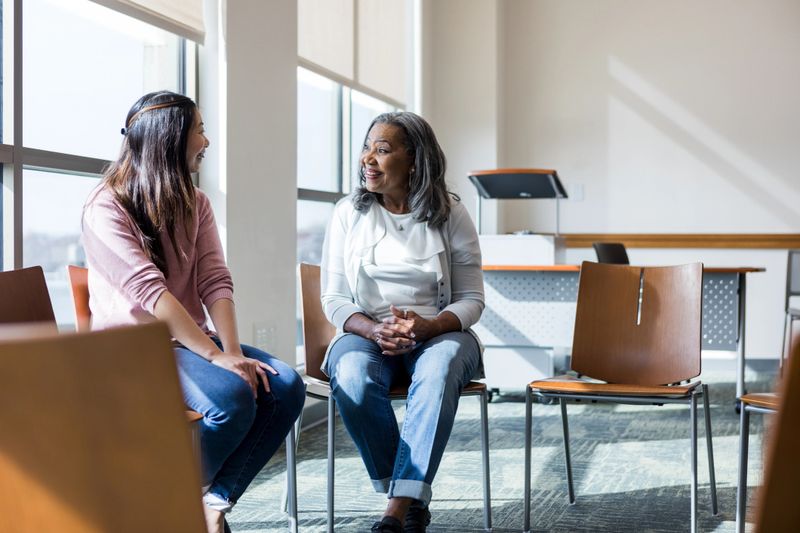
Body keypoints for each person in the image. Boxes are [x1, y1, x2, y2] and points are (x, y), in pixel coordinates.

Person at [81, 91, 305, 533]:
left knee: (284, 386)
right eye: (200, 130)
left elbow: (215, 280)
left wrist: (232, 353)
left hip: (188, 344)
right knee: (231, 399)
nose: (206, 141)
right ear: (171, 138)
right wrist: (216, 357)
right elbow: (151, 293)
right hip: (130, 350)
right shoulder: (104, 205)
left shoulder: (195, 202)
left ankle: (212, 504)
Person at [320, 111, 484, 533]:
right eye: (366, 147)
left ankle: (394, 512)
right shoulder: (347, 213)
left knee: (439, 369)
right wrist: (374, 329)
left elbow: (472, 299)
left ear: (414, 159)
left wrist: (430, 327)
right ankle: (411, 499)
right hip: (365, 332)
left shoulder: (451, 213)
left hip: (439, 333)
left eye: (382, 149)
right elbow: (333, 299)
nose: (367, 159)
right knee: (351, 375)